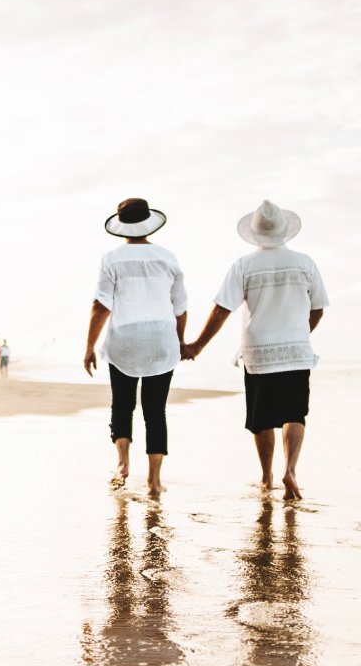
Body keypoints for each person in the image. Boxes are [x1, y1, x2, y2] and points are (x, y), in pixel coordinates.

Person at [182, 200, 329, 501]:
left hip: (259, 352)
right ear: (284, 231)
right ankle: (291, 470)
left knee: (262, 418)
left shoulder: (244, 265)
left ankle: (266, 478)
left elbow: (222, 309)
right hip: (296, 352)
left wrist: (197, 344)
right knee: (295, 414)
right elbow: (318, 310)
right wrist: (300, 333)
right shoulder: (305, 262)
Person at [84, 197, 188, 499]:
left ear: (122, 226)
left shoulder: (111, 258)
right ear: (148, 223)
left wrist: (90, 346)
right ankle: (154, 481)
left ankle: (122, 465)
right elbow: (180, 308)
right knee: (156, 411)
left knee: (122, 404)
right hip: (161, 337)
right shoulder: (168, 257)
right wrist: (180, 341)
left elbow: (101, 305)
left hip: (124, 340)